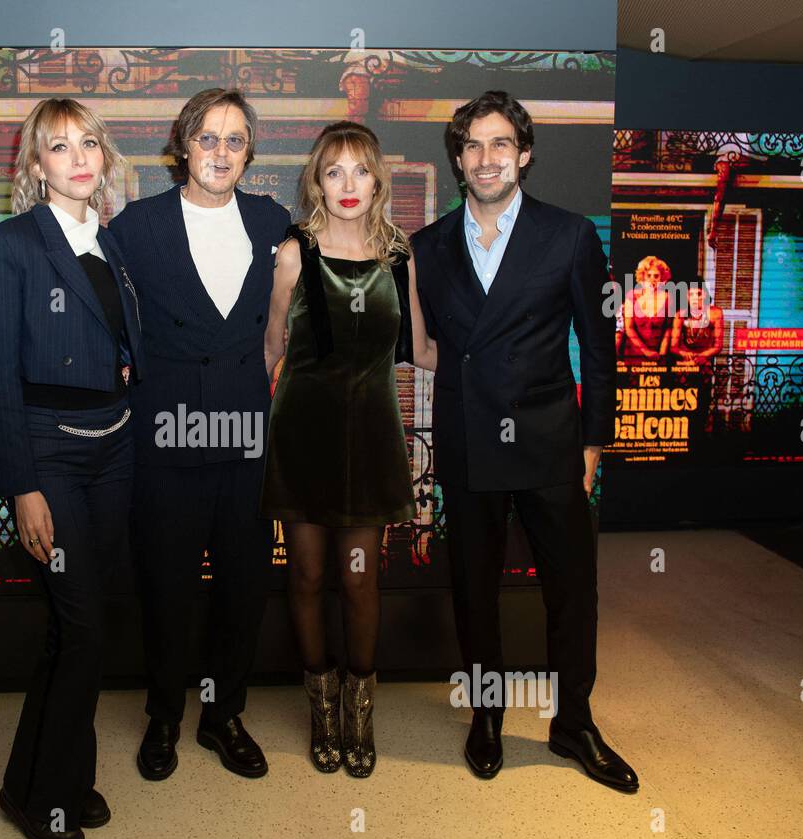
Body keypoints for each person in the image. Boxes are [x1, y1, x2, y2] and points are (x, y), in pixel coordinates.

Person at [410, 90, 639, 793]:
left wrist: (594, 444)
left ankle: (573, 722)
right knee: (474, 591)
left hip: (549, 442)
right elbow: (422, 350)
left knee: (572, 592)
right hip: (468, 440)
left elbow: (598, 350)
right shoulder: (426, 246)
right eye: (473, 145)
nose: (487, 158)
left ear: (525, 154)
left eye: (501, 144)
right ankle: (486, 716)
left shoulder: (569, 235)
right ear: (457, 158)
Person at [0, 97, 144, 839]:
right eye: (58, 147)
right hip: (50, 456)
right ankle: (42, 797)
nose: (78, 158)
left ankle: (58, 775)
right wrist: (22, 487)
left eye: (88, 145)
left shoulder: (111, 244)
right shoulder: (6, 247)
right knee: (82, 629)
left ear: (103, 157)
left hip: (115, 449)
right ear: (35, 165)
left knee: (81, 627)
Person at [107, 88, 291, 781]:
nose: (220, 151)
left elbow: (281, 323)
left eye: (235, 139)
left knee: (244, 586)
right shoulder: (135, 226)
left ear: (249, 153)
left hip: (244, 433)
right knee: (168, 586)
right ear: (183, 145)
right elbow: (111, 326)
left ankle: (222, 716)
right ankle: (163, 717)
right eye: (207, 137)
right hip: (168, 435)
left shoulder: (273, 221)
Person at [260, 121, 436, 777]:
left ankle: (360, 716)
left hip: (370, 437)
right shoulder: (293, 253)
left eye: (360, 169)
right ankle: (321, 710)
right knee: (305, 575)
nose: (348, 184)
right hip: (303, 432)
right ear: (317, 182)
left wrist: (498, 372)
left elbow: (418, 349)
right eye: (334, 171)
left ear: (378, 179)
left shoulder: (399, 254)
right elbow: (272, 349)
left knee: (360, 579)